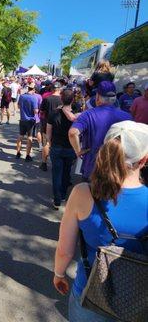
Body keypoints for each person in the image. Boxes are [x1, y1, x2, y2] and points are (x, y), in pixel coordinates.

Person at [54, 120, 148, 322]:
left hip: (91, 296)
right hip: (141, 299)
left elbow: (65, 250)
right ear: (144, 159)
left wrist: (59, 274)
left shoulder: (82, 193)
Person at [69, 81, 132, 181]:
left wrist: (78, 151)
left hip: (92, 167)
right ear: (115, 98)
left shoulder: (87, 115)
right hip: (116, 168)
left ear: (97, 96)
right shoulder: (127, 117)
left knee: (89, 195)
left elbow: (73, 133)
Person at [47, 89, 76, 209]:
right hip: (70, 148)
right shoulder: (76, 114)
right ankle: (63, 195)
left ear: (61, 99)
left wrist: (50, 143)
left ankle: (57, 200)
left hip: (56, 147)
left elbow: (48, 131)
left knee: (56, 173)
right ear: (73, 99)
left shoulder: (54, 113)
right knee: (66, 171)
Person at [39, 82, 62, 171]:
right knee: (58, 144)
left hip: (47, 123)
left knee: (46, 143)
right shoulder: (62, 99)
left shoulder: (47, 99)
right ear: (59, 89)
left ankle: (44, 163)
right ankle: (56, 164)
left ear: (52, 89)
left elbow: (42, 111)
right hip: (59, 125)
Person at [16, 83, 39, 162]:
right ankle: (27, 155)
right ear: (34, 89)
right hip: (30, 120)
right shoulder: (34, 98)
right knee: (29, 137)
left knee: (20, 136)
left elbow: (18, 106)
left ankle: (18, 153)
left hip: (22, 119)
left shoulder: (22, 96)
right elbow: (36, 111)